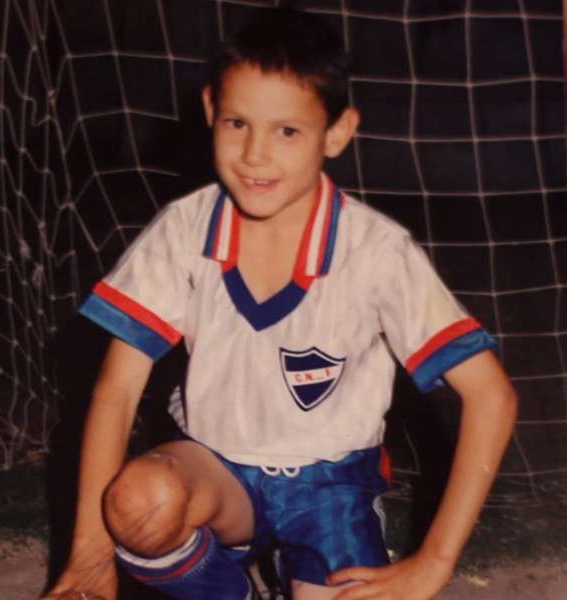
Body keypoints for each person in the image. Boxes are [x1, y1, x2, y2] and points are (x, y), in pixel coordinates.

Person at [43, 8, 517, 600]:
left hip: (331, 487)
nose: (255, 155)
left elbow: (491, 394)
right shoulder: (184, 229)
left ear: (337, 132)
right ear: (211, 110)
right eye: (238, 122)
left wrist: (435, 560)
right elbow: (115, 391)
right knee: (138, 504)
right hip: (218, 473)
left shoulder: (375, 251)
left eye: (287, 131)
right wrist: (90, 554)